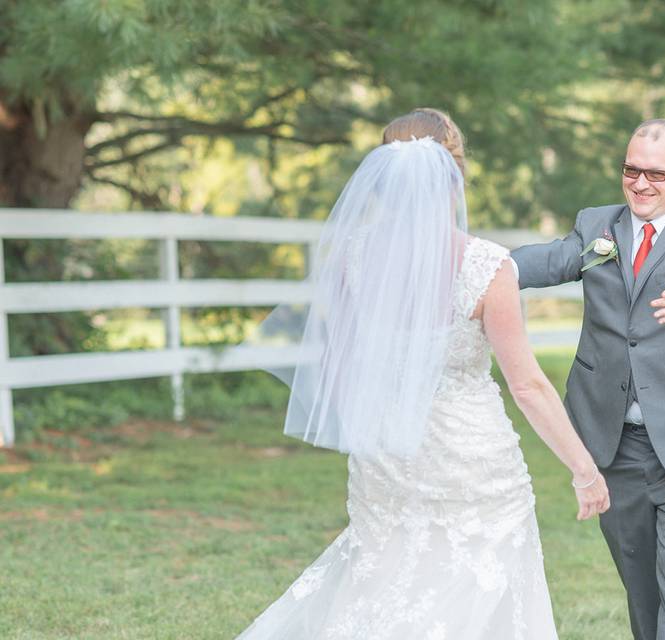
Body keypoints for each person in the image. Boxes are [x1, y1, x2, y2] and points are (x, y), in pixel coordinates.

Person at [235, 108, 609, 639]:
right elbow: (527, 385)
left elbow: (337, 364)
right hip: (471, 458)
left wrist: (373, 427)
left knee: (384, 580)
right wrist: (584, 469)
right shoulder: (487, 266)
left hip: (386, 451)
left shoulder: (354, 257)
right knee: (476, 588)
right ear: (456, 177)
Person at [512, 119, 665, 640]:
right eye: (632, 170)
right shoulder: (596, 226)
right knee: (640, 585)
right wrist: (471, 264)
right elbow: (545, 261)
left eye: (656, 172)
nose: (641, 183)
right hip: (614, 444)